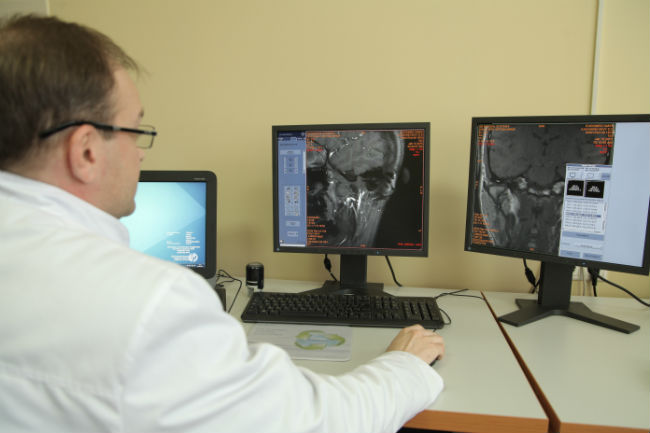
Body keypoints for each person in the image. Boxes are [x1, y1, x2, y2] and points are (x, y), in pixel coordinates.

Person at [0, 14, 445, 433]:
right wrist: (403, 364)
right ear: (86, 151)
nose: (140, 154)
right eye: (136, 131)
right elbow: (315, 422)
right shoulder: (147, 304)